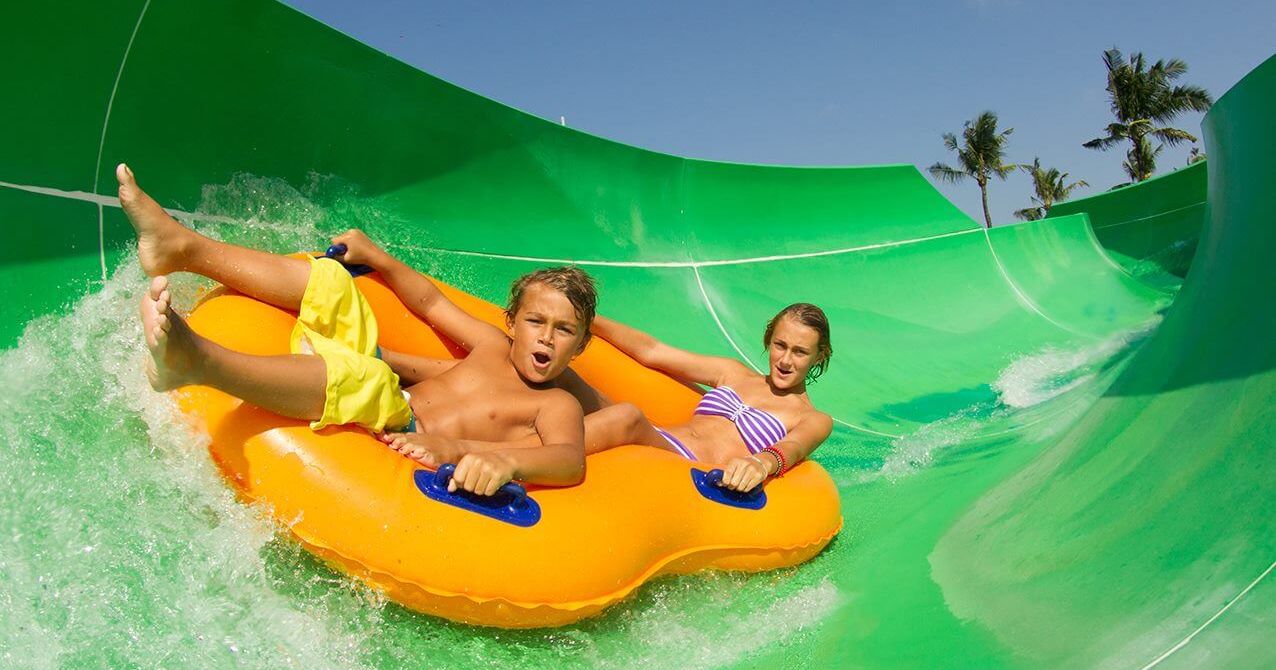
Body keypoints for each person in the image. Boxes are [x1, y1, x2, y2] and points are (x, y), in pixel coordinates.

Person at [118, 163, 595, 497]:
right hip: (394, 396)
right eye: (536, 321)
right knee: (332, 284)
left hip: (401, 427)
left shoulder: (556, 404)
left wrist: (486, 456)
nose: (546, 338)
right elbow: (430, 303)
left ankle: (199, 362)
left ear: (580, 346)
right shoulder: (492, 344)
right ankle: (183, 247)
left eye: (564, 330)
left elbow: (568, 459)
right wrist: (380, 258)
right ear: (512, 322)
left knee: (367, 378)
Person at [385, 303, 835, 496]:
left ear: (819, 357)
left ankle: (469, 451)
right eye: (780, 345)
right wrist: (584, 319)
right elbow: (651, 351)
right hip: (663, 438)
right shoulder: (732, 372)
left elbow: (791, 450)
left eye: (800, 352)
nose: (785, 359)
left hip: (690, 469)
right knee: (564, 377)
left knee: (627, 416)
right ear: (769, 341)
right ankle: (393, 366)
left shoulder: (811, 417)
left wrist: (760, 465)